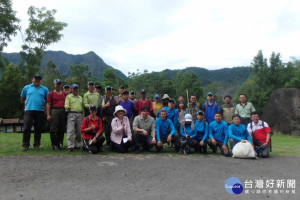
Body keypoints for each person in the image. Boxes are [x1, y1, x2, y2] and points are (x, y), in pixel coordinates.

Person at [20, 74, 49, 151]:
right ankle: (25, 145)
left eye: (39, 79)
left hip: (40, 111)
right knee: (26, 128)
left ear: (41, 81)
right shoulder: (26, 88)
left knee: (38, 128)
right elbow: (22, 98)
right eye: (36, 79)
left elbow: (47, 100)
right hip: (28, 110)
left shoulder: (45, 89)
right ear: (32, 79)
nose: (37, 81)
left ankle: (36, 144)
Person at [46, 79, 66, 150]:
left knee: (61, 128)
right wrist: (48, 114)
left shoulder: (64, 93)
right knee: (54, 128)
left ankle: (60, 143)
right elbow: (48, 104)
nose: (58, 85)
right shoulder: (51, 93)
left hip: (62, 110)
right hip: (54, 110)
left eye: (60, 84)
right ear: (54, 85)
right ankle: (54, 144)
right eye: (57, 84)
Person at [64, 84, 84, 152]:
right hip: (71, 113)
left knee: (79, 131)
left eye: (76, 89)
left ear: (78, 89)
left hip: (79, 114)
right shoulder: (68, 97)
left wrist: (83, 115)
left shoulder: (80, 97)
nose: (75, 90)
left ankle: (77, 145)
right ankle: (70, 146)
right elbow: (66, 105)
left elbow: (82, 107)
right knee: (70, 130)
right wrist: (67, 107)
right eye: (74, 89)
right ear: (71, 89)